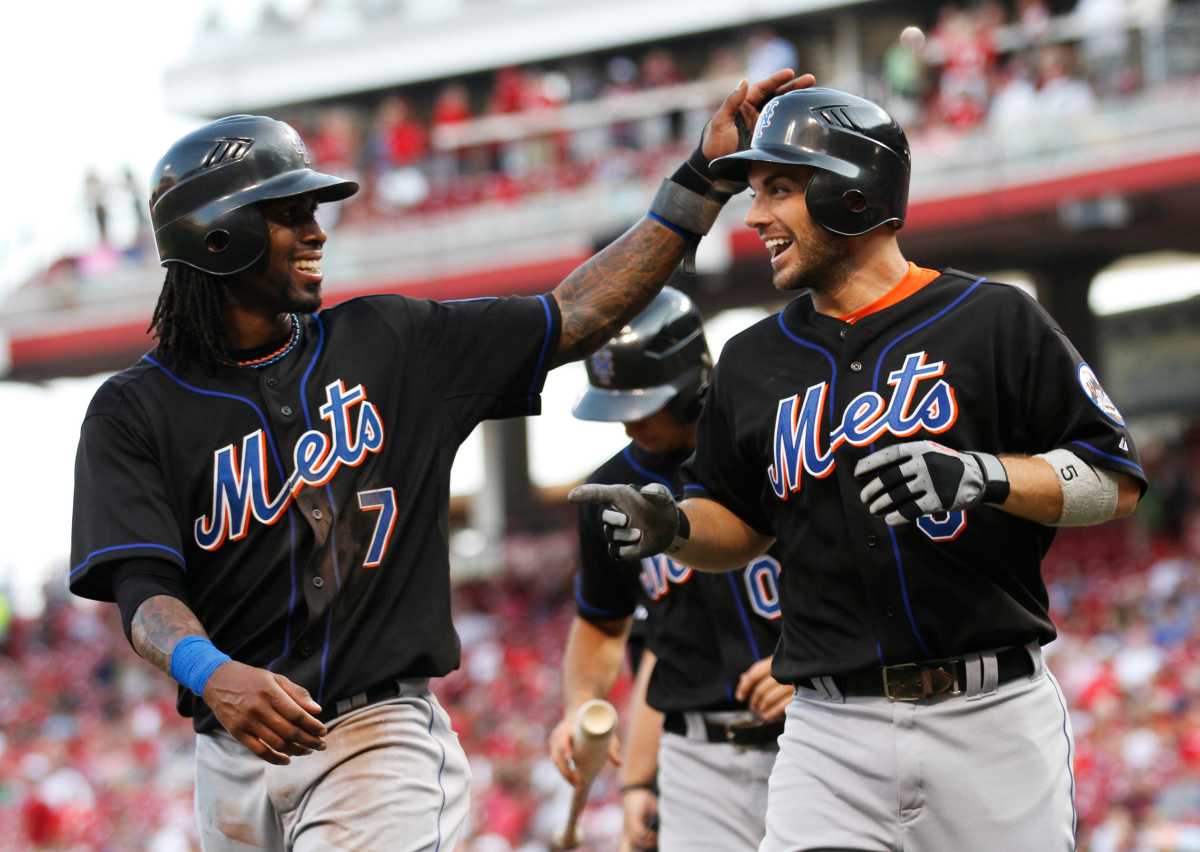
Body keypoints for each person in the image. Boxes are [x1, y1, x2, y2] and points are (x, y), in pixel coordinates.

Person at [69, 70, 814, 851]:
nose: (318, 230)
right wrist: (209, 671)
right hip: (228, 761)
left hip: (374, 736)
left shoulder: (392, 342)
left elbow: (577, 315)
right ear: (218, 236)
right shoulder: (133, 410)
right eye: (290, 216)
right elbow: (144, 594)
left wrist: (700, 180)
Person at [570, 86, 1147, 852]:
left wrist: (986, 478)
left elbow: (1115, 481)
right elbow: (740, 525)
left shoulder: (992, 320)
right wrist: (673, 525)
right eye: (754, 193)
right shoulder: (752, 360)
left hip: (989, 716)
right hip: (830, 731)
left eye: (779, 188)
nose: (755, 217)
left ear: (851, 189)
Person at [549, 289, 788, 851]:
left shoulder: (770, 447)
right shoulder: (611, 491)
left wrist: (813, 665)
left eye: (641, 405)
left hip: (816, 722)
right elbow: (603, 625)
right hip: (697, 757)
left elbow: (859, 576)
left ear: (689, 385)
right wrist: (582, 703)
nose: (628, 423)